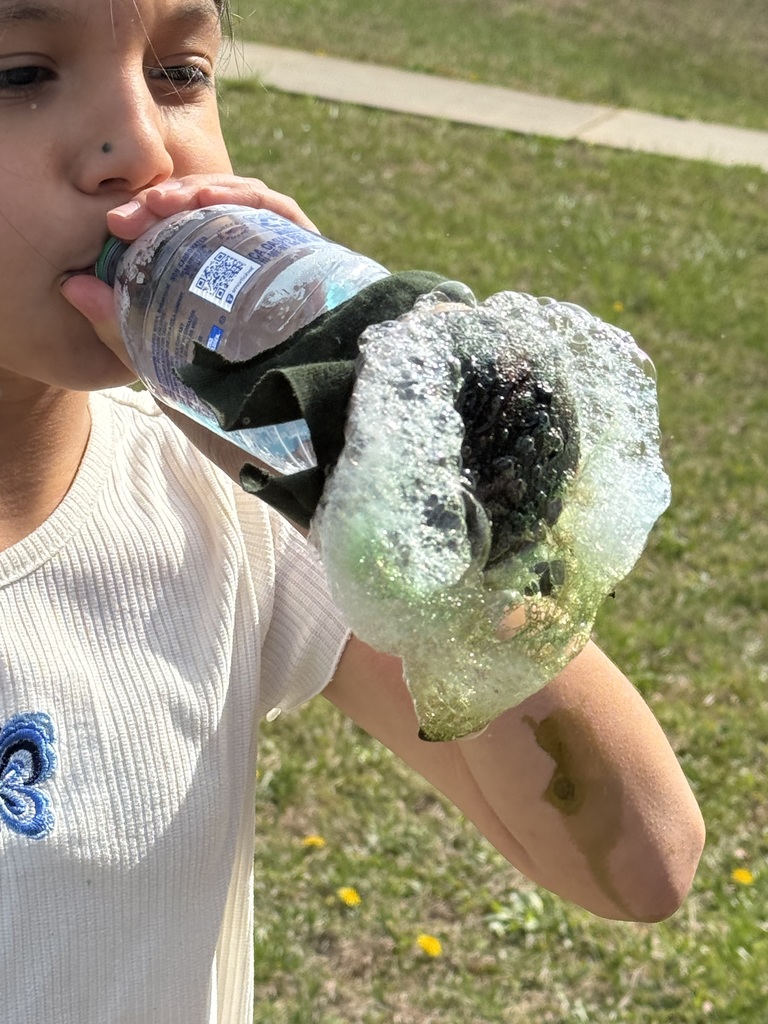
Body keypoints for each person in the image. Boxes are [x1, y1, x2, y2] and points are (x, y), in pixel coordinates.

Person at [0, 0, 704, 1021]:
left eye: (179, 73)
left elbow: (640, 863)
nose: (142, 147)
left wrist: (417, 512)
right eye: (19, 74)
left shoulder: (212, 501)